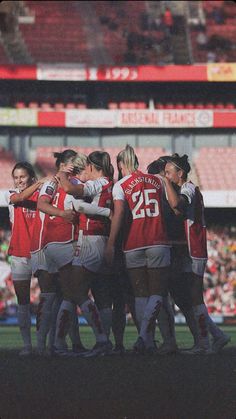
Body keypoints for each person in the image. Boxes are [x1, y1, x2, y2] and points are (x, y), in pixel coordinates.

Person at [105, 145, 171, 354]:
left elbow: (120, 214)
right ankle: (145, 338)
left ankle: (147, 340)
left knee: (141, 295)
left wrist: (110, 244)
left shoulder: (121, 185)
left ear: (121, 165)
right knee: (157, 293)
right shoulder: (158, 180)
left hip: (133, 244)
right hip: (158, 240)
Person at [164, 154, 230, 354]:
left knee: (195, 298)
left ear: (180, 173)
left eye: (169, 172)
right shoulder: (187, 188)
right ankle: (217, 335)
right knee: (189, 297)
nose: (166, 175)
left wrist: (165, 183)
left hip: (195, 249)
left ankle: (203, 343)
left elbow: (178, 205)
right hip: (190, 249)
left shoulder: (189, 189)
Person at [54, 150, 114, 356]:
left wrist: (62, 174)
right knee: (98, 295)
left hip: (91, 238)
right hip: (94, 239)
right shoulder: (109, 183)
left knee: (75, 292)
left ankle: (101, 340)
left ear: (91, 167)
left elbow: (71, 190)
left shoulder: (99, 183)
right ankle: (64, 342)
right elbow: (80, 204)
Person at [5, 162, 46, 356]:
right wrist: (38, 184)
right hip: (19, 253)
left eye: (22, 177)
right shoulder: (11, 193)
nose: (19, 180)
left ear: (31, 176)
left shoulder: (43, 195)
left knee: (48, 300)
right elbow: (21, 197)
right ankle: (27, 346)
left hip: (41, 252)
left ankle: (42, 344)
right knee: (23, 302)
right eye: (16, 177)